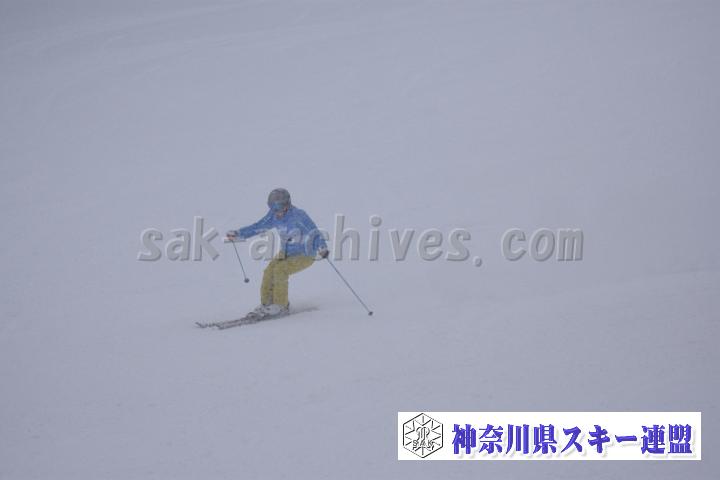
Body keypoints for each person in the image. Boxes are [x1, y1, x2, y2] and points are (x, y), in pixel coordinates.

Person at [227, 188, 328, 316]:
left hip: (305, 254)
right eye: (273, 209)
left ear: (287, 205)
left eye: (278, 209)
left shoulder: (299, 216)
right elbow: (258, 226)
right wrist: (239, 234)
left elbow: (314, 232)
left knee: (280, 269)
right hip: (285, 253)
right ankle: (267, 304)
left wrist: (322, 247)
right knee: (269, 271)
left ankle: (281, 306)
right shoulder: (273, 215)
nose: (276, 213)